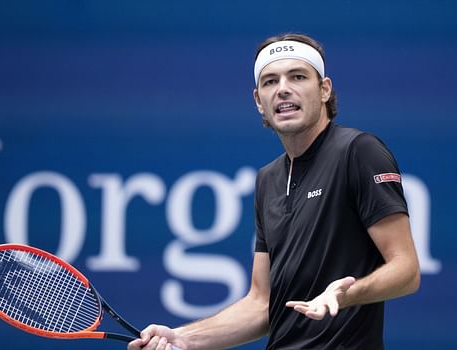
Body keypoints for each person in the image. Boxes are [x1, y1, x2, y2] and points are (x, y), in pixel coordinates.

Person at [128, 33, 420, 350]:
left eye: (297, 76)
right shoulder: (267, 179)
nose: (282, 88)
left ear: (324, 90)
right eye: (270, 81)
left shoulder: (359, 151)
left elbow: (406, 270)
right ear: (259, 101)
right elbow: (261, 303)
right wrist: (182, 338)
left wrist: (345, 294)